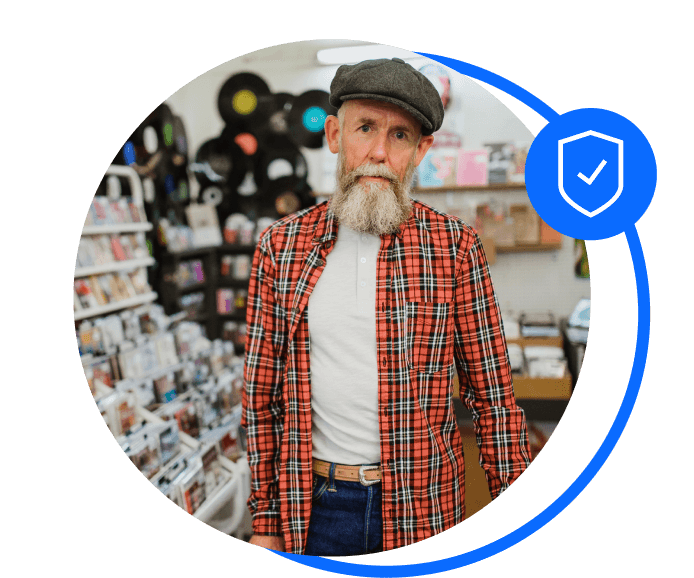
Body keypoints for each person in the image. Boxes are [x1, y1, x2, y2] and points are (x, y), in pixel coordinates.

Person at [242, 58, 531, 557]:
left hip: (426, 507)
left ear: (421, 150)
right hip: (313, 509)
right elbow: (261, 398)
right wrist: (265, 517)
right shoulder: (279, 249)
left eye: (399, 136)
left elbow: (494, 400)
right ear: (334, 134)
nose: (378, 151)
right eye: (365, 128)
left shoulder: (455, 248)